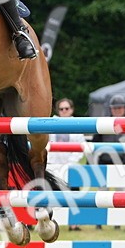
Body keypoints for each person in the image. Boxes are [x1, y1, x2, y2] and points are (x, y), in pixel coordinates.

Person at [46, 97, 85, 231]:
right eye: (61, 109)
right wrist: (52, 163)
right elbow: (46, 143)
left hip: (71, 165)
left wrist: (71, 163)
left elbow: (81, 146)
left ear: (71, 110)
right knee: (51, 195)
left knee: (74, 196)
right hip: (54, 165)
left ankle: (74, 223)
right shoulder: (51, 123)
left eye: (66, 109)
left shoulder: (77, 124)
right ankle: (51, 221)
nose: (64, 111)